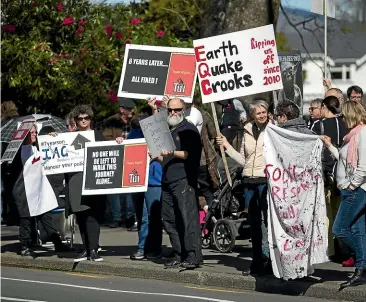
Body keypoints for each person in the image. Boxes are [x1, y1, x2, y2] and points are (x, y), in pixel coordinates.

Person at [217, 100, 271, 276]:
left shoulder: (273, 130)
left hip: (266, 181)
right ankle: (256, 262)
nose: (262, 115)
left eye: (264, 112)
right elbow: (243, 159)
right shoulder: (247, 130)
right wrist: (226, 146)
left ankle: (270, 261)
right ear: (252, 115)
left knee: (267, 224)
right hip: (249, 181)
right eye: (258, 113)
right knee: (254, 224)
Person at [65, 105, 122, 262]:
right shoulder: (68, 137)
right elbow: (57, 150)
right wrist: (52, 137)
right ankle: (85, 249)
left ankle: (94, 249)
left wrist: (119, 141)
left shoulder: (98, 135)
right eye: (80, 118)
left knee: (92, 216)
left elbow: (111, 151)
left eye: (86, 118)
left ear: (90, 119)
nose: (83, 121)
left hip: (94, 180)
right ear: (75, 120)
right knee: (81, 216)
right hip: (76, 179)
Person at [320, 101, 366, 289]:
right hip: (351, 189)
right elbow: (345, 160)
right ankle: (361, 269)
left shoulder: (362, 133)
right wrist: (330, 146)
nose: (343, 120)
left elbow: (363, 165)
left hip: (356, 190)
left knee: (339, 229)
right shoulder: (352, 136)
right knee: (357, 230)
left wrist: (351, 185)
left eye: (345, 116)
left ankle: (363, 260)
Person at [159, 98, 202, 269]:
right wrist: (156, 156)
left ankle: (192, 255)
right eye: (170, 110)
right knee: (169, 219)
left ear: (183, 110)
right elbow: (164, 155)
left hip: (183, 179)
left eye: (177, 110)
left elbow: (189, 154)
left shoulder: (188, 130)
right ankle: (178, 253)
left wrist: (172, 152)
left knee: (187, 218)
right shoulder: (167, 130)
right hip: (167, 180)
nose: (173, 113)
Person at [14, 125, 68, 257]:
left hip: (38, 188)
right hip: (24, 190)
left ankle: (58, 243)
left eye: (35, 132)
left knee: (46, 216)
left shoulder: (37, 147)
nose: (34, 134)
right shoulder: (19, 151)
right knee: (26, 219)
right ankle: (24, 245)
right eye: (30, 132)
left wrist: (51, 138)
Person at [311, 96, 349, 257]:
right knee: (339, 210)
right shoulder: (345, 123)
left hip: (325, 171)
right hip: (343, 171)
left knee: (326, 213)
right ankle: (343, 248)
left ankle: (329, 250)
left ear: (325, 107)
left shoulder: (318, 124)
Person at [128, 106, 164, 260]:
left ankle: (155, 249)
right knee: (141, 216)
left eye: (146, 116)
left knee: (154, 216)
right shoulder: (134, 134)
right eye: (141, 116)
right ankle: (142, 248)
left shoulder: (159, 133)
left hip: (153, 180)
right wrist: (120, 141)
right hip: (136, 180)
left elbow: (165, 151)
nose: (142, 119)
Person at [103, 98, 135, 228]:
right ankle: (116, 218)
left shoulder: (135, 121)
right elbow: (105, 138)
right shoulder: (110, 121)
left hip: (132, 157)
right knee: (114, 188)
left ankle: (129, 216)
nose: (132, 111)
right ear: (122, 109)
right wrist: (115, 139)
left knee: (130, 187)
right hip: (115, 157)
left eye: (132, 108)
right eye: (129, 109)